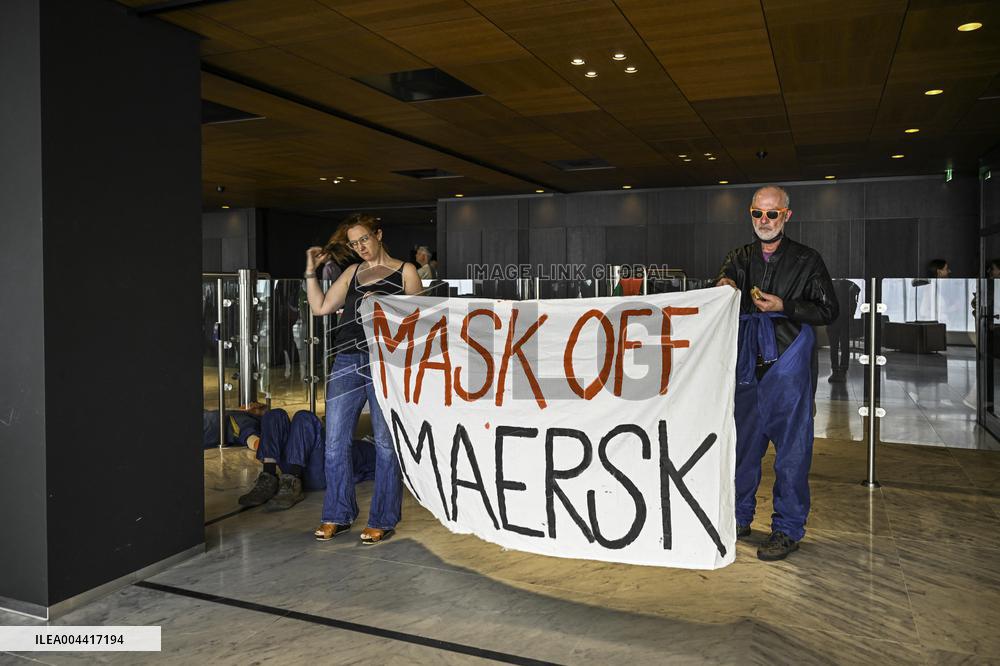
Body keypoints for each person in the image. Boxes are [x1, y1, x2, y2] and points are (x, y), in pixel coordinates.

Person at [716, 185, 838, 561]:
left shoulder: (807, 259)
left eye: (772, 214)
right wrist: (723, 286)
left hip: (788, 364)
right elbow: (723, 285)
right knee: (741, 450)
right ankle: (737, 518)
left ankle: (787, 529)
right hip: (745, 365)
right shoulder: (739, 257)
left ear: (787, 215)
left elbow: (828, 310)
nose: (765, 221)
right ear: (750, 214)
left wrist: (785, 306)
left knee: (792, 454)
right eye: (758, 213)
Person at [305, 213, 422, 544]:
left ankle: (382, 519)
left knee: (386, 443)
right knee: (334, 442)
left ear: (378, 235)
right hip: (347, 359)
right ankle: (337, 515)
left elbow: (420, 320)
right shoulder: (353, 272)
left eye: (364, 240)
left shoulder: (405, 271)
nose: (360, 247)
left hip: (386, 362)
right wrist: (310, 272)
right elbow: (320, 307)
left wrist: (385, 305)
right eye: (354, 244)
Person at [237, 407, 377, 512]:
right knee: (274, 415)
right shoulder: (366, 442)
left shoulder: (373, 449)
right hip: (299, 465)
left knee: (304, 417)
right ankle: (268, 477)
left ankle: (292, 482)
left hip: (319, 473)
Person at [827, 280, 860, 382]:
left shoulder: (833, 284)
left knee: (840, 347)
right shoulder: (849, 285)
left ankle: (840, 371)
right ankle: (838, 371)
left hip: (839, 320)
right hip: (840, 320)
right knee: (839, 347)